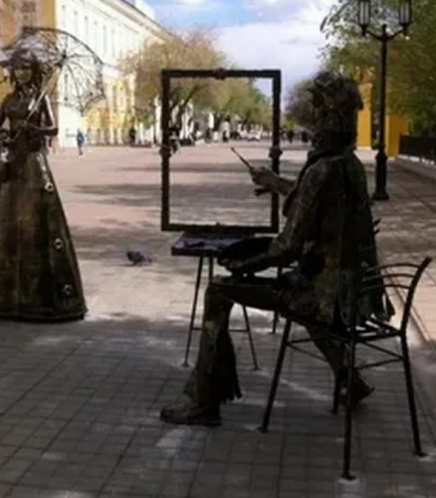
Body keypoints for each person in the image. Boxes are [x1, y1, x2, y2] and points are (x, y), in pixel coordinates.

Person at [160, 71, 385, 427]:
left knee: (218, 291)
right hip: (351, 292)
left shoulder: (322, 169)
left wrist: (244, 263)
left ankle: (204, 403)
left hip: (323, 298)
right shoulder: (350, 164)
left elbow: (287, 247)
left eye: (317, 107)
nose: (312, 115)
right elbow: (315, 199)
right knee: (303, 288)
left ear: (327, 115)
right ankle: (350, 378)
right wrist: (275, 182)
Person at [0, 49, 87, 322]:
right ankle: (6, 298)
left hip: (33, 161)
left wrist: (36, 131)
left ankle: (40, 298)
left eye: (26, 67)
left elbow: (52, 128)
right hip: (13, 163)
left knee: (37, 218)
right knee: (10, 219)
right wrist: (3, 133)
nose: (22, 72)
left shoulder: (41, 98)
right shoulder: (9, 99)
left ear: (35, 71)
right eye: (18, 68)